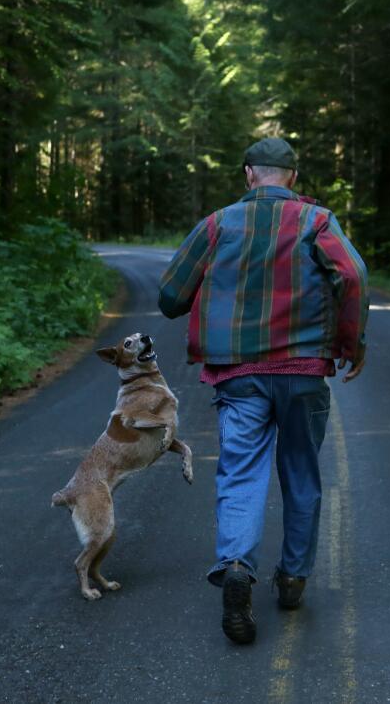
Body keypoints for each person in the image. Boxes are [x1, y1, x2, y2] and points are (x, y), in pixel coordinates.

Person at [158, 136, 369, 645]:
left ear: (249, 173)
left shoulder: (217, 224)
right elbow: (353, 273)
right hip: (302, 372)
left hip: (240, 374)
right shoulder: (317, 221)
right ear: (293, 177)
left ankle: (235, 565)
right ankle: (293, 578)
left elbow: (169, 296)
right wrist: (350, 342)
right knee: (300, 471)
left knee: (241, 472)